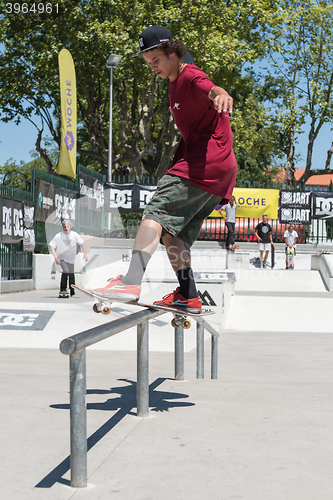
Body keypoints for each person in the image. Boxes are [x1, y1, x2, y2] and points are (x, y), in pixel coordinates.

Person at [92, 25, 237, 312]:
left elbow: (209, 87)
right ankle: (189, 295)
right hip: (219, 169)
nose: (152, 67)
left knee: (155, 213)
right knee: (173, 234)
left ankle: (131, 281)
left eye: (156, 60)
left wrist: (221, 93)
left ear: (173, 53)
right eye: (148, 63)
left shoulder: (190, 75)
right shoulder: (174, 79)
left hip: (205, 161)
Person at [49, 220, 88, 297]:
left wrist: (85, 254)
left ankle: (72, 290)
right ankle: (63, 289)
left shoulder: (75, 235)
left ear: (70, 227)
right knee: (65, 271)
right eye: (64, 226)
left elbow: (82, 243)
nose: (66, 228)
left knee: (71, 275)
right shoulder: (58, 236)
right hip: (61, 258)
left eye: (67, 226)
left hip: (71, 258)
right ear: (62, 227)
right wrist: (56, 257)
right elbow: (52, 246)